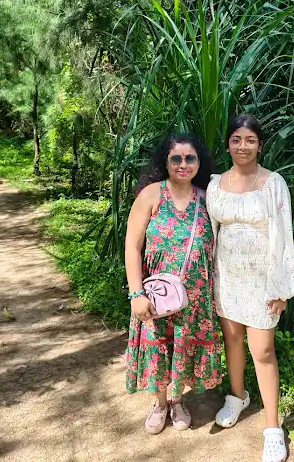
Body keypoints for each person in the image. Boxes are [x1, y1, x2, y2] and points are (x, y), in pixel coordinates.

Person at [206, 115, 294, 462]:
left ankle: (273, 429)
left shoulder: (273, 183)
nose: (242, 146)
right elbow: (210, 234)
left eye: (250, 140)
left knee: (263, 350)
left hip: (261, 281)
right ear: (227, 145)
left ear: (260, 145)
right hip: (226, 278)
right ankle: (237, 396)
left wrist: (280, 288)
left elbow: (283, 236)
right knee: (232, 340)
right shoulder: (216, 184)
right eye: (236, 139)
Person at [125, 133, 222, 435]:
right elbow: (132, 246)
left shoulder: (206, 198)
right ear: (164, 162)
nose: (183, 164)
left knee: (183, 347)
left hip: (195, 298)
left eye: (190, 158)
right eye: (176, 158)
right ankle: (159, 403)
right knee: (159, 345)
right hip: (156, 295)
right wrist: (136, 293)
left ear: (199, 162)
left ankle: (177, 401)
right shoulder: (151, 195)